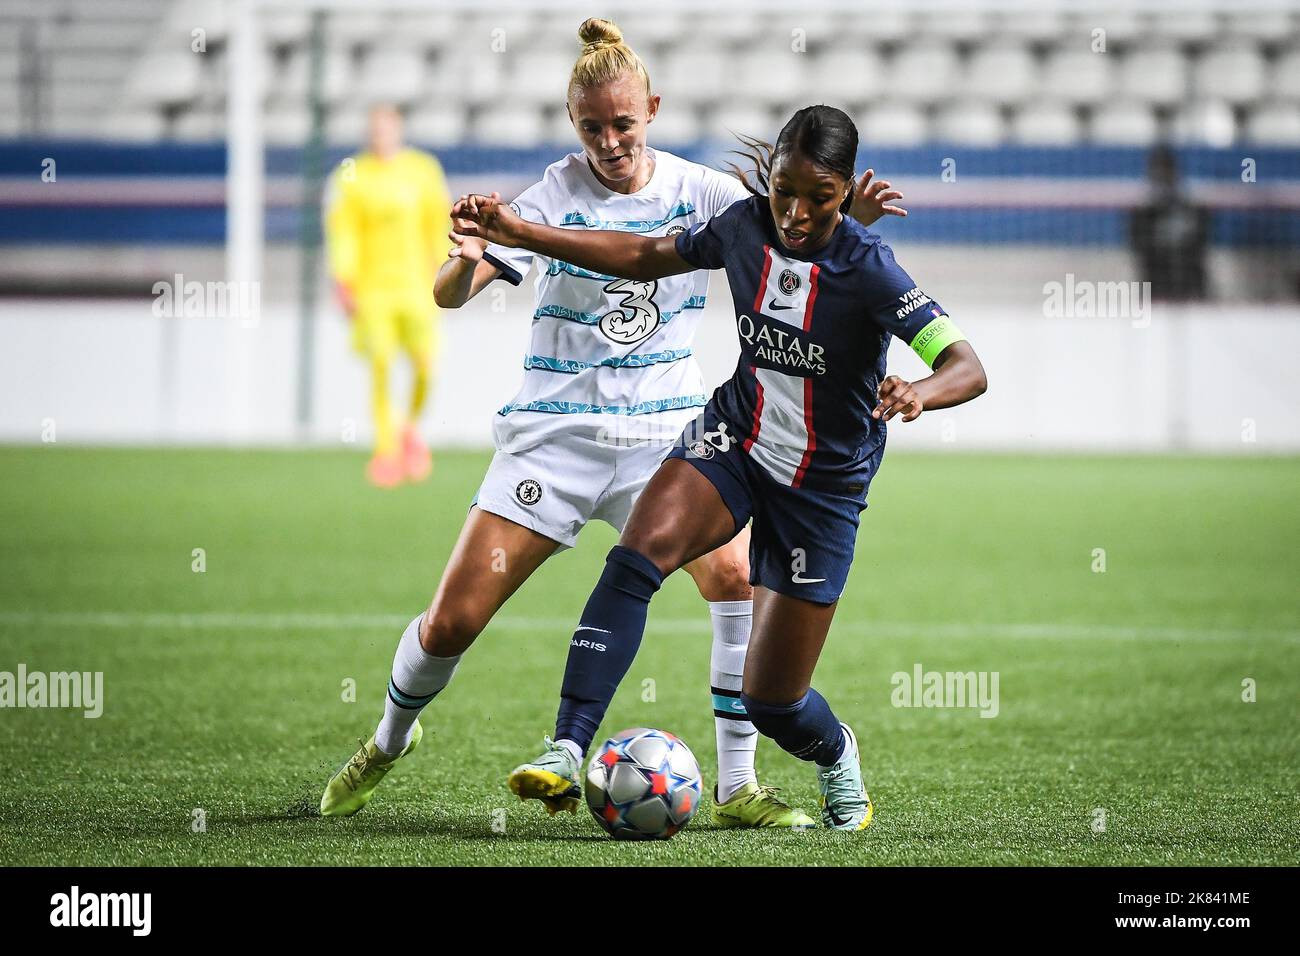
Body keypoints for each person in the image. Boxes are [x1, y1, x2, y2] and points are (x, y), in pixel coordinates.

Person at [320, 21, 907, 828]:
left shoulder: (706, 194)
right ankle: (388, 741)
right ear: (574, 124)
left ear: (652, 111)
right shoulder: (549, 197)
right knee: (453, 619)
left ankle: (735, 786)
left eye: (623, 124)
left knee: (733, 577)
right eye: (592, 127)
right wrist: (462, 256)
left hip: (665, 442)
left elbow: (799, 238)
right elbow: (453, 294)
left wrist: (861, 227)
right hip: (552, 441)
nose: (609, 141)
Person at [456, 104, 988, 829]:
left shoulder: (871, 270)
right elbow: (645, 256)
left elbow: (966, 364)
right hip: (733, 440)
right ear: (769, 176)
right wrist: (520, 233)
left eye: (819, 199)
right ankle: (566, 749)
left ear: (842, 194)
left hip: (822, 488)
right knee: (635, 559)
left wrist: (920, 391)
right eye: (784, 191)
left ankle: (837, 755)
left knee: (773, 701)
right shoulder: (742, 226)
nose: (796, 215)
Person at [325, 104, 452, 487]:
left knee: (426, 364)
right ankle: (386, 452)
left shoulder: (423, 170)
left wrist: (447, 271)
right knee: (380, 365)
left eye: (386, 128)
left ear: (398, 130)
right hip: (373, 289)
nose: (380, 135)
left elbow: (438, 222)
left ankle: (409, 429)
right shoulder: (352, 176)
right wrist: (344, 280)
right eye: (374, 129)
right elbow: (343, 231)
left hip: (417, 286)